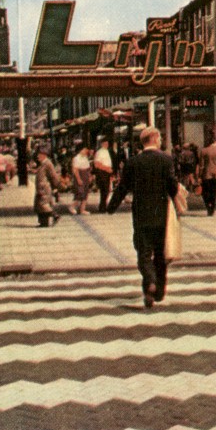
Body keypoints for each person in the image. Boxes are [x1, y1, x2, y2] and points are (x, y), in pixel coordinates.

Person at [107, 126, 180, 309]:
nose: (161, 141)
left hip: (141, 215)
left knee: (144, 253)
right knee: (160, 255)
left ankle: (149, 281)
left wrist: (111, 207)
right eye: (160, 138)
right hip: (161, 215)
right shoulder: (166, 159)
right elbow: (173, 186)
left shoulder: (133, 162)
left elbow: (122, 187)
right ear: (155, 139)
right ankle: (159, 290)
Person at [34, 146, 62, 227]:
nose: (38, 156)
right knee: (39, 205)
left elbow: (53, 176)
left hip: (44, 188)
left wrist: (57, 186)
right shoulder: (42, 164)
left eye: (39, 155)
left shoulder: (48, 163)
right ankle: (43, 223)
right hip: (41, 188)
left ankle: (55, 215)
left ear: (44, 155)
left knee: (43, 205)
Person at [198, 138, 216, 216]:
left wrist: (199, 176)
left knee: (205, 191)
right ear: (215, 142)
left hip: (206, 174)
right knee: (213, 191)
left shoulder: (203, 151)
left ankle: (208, 206)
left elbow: (201, 165)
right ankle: (212, 208)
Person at [92, 139, 116, 213]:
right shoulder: (100, 152)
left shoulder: (107, 152)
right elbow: (97, 164)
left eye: (107, 143)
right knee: (104, 189)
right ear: (102, 144)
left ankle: (103, 206)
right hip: (102, 172)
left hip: (107, 172)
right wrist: (106, 169)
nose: (106, 144)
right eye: (105, 143)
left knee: (107, 190)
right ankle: (102, 207)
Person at [70, 145, 92, 215]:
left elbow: (88, 168)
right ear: (81, 150)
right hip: (80, 174)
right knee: (80, 193)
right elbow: (75, 170)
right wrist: (78, 179)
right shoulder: (76, 158)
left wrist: (90, 176)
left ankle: (82, 209)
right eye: (84, 149)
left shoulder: (85, 158)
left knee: (85, 193)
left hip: (86, 175)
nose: (86, 151)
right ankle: (72, 207)